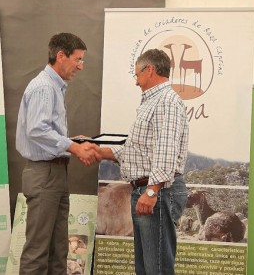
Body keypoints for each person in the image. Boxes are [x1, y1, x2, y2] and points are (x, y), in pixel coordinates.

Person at [16, 32, 100, 275]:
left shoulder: (54, 86)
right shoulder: (44, 86)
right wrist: (73, 147)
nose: (81, 66)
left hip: (55, 173)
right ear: (61, 56)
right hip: (45, 175)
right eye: (78, 59)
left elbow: (45, 133)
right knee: (38, 251)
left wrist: (71, 141)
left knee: (58, 249)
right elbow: (37, 129)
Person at [99, 48, 189, 275]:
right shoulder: (154, 102)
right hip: (147, 189)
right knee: (146, 267)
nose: (136, 81)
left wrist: (152, 191)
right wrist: (98, 150)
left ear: (149, 70)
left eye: (136, 74)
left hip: (157, 191)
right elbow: (137, 151)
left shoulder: (166, 102)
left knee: (156, 268)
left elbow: (165, 150)